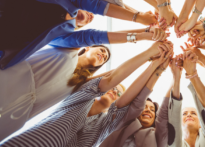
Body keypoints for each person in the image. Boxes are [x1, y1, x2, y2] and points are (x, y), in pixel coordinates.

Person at [0, 0, 166, 70]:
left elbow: (95, 37)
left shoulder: (62, 36)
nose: (88, 17)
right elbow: (94, 3)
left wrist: (143, 35)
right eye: (90, 14)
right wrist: (138, 17)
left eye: (88, 22)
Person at [0, 42, 173, 147]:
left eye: (119, 93)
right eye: (114, 88)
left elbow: (126, 102)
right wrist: (150, 57)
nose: (115, 91)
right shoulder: (80, 98)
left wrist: (155, 69)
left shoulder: (105, 125)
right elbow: (111, 78)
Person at [100, 47, 179, 147]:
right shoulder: (123, 125)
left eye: (152, 109)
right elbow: (140, 100)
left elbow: (163, 114)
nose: (148, 110)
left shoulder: (158, 136)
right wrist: (159, 69)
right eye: (145, 107)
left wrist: (176, 76)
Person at [167, 56, 205, 147]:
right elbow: (174, 119)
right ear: (180, 123)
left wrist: (191, 73)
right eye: (184, 113)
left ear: (200, 123)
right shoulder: (174, 144)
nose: (189, 115)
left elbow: (203, 111)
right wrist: (176, 77)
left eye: (194, 113)